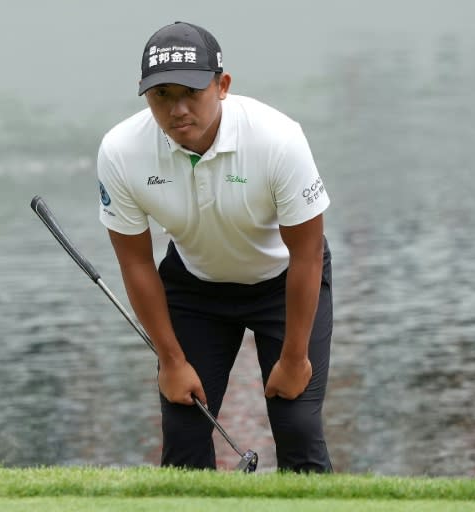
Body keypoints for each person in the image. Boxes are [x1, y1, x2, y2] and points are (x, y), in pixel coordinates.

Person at [96, 21, 333, 472]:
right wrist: (170, 359)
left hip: (283, 284)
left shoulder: (277, 139)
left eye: (191, 92)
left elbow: (307, 253)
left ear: (222, 86)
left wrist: (295, 356)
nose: (177, 109)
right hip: (196, 289)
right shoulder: (121, 150)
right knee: (184, 430)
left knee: (297, 423)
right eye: (161, 95)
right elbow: (136, 262)